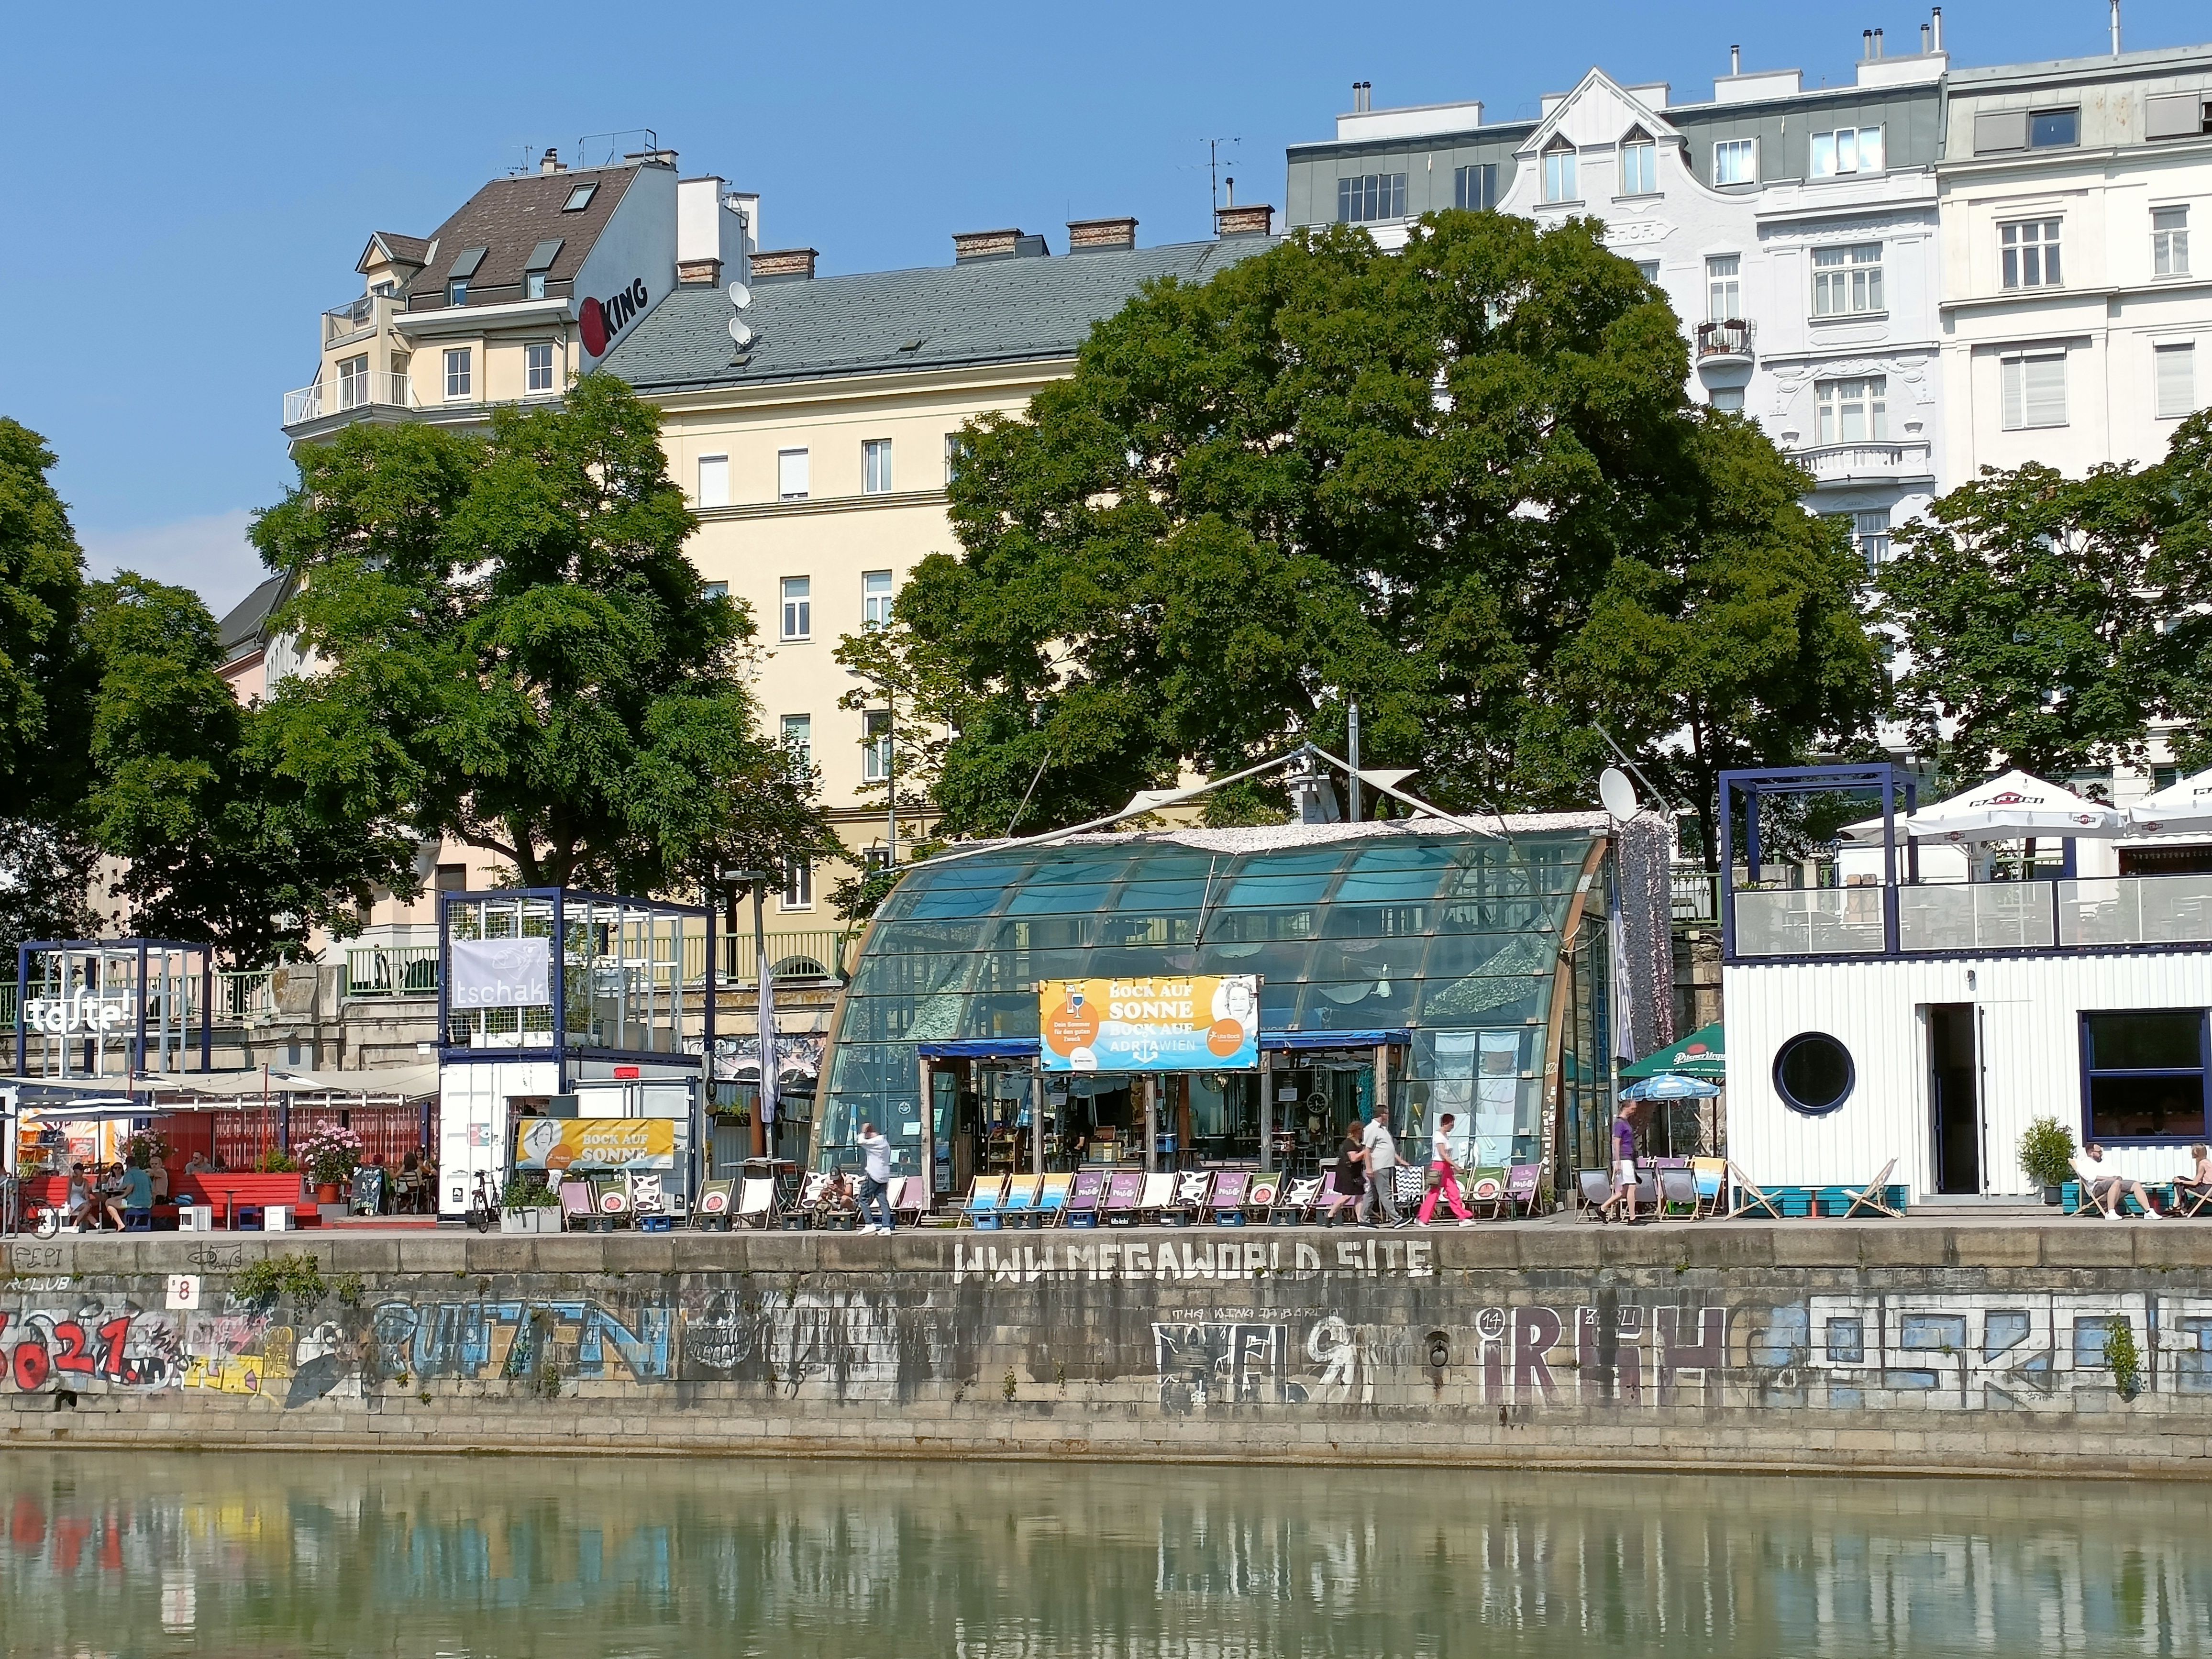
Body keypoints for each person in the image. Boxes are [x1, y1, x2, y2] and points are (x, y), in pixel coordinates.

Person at [2075, 1143, 2167, 1219]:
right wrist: (2110, 1179)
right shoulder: (2084, 1164)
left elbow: (2117, 1175)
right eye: (2099, 1152)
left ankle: (2148, 1211)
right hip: (2097, 1188)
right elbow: (2090, 1177)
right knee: (2116, 1183)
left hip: (2114, 1185)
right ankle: (2110, 1212)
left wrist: (2118, 1178)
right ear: (2091, 1153)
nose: (2102, 1154)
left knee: (2136, 1184)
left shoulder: (2104, 1163)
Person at [1417, 1112, 1476, 1226]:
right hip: (1440, 1166)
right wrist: (1456, 1166)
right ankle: (1423, 1218)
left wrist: (1452, 1166)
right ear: (1446, 1123)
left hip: (1446, 1168)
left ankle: (1462, 1217)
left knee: (1454, 1192)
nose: (1453, 1126)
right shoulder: (1439, 1136)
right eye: (1451, 1123)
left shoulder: (1444, 1136)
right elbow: (1443, 1154)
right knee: (1434, 1193)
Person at [1356, 1113, 1405, 1227]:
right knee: (1385, 1193)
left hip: (1387, 1165)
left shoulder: (1384, 1129)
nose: (1389, 1116)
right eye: (1387, 1114)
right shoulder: (1371, 1129)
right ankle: (1396, 1218)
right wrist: (1369, 1168)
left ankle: (1363, 1219)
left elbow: (1389, 1148)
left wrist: (1400, 1160)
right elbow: (1367, 1150)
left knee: (1372, 1194)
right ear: (1382, 1115)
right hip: (1379, 1166)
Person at [857, 1120, 896, 1234]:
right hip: (884, 1176)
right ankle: (886, 1227)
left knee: (863, 1198)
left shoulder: (875, 1143)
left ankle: (869, 1224)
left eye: (869, 1134)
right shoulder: (885, 1143)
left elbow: (860, 1141)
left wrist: (864, 1130)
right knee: (883, 1200)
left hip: (873, 1175)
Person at [1609, 1101, 1644, 1223]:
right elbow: (1616, 1142)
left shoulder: (1625, 1122)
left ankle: (1603, 1208)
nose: (1634, 1111)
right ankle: (1632, 1218)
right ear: (1626, 1108)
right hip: (1623, 1158)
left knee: (1623, 1191)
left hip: (1627, 1157)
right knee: (1631, 1187)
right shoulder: (1619, 1123)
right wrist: (1618, 1161)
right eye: (1632, 1108)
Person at [1327, 1129, 1366, 1223]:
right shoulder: (1349, 1143)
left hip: (1356, 1173)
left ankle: (1360, 1220)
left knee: (1360, 1196)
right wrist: (1365, 1151)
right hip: (1347, 1173)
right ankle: (1330, 1214)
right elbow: (1354, 1158)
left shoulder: (1358, 1144)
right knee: (1347, 1196)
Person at [2179, 1144, 2212, 1215]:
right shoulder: (2206, 1161)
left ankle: (2182, 1207)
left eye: (2193, 1151)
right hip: (2208, 1188)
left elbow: (2195, 1183)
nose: (2191, 1153)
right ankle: (2179, 1206)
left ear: (2197, 1153)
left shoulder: (2202, 1164)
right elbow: (2198, 1179)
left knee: (2179, 1182)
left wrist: (2182, 1181)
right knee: (2179, 1181)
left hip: (2206, 1189)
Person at [66, 1162, 99, 1232]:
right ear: (76, 1170)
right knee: (87, 1207)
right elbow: (68, 1194)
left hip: (81, 1200)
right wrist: (69, 1205)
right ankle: (94, 1223)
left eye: (83, 1170)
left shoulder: (85, 1181)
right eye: (81, 1169)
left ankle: (96, 1224)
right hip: (73, 1200)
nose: (82, 1171)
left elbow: (86, 1193)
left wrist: (88, 1200)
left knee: (87, 1207)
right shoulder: (71, 1180)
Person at [122, 1159, 155, 1223]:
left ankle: (120, 1224)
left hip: (133, 1203)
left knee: (110, 1202)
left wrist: (123, 1195)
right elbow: (152, 1190)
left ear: (128, 1165)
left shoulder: (129, 1174)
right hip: (148, 1203)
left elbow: (130, 1186)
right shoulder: (145, 1175)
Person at [98, 1163, 128, 1231]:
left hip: (123, 1198)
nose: (117, 1170)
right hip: (114, 1197)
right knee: (108, 1204)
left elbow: (124, 1188)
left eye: (119, 1168)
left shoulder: (125, 1178)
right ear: (113, 1169)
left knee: (108, 1203)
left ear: (122, 1169)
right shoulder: (111, 1179)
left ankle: (120, 1224)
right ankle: (120, 1224)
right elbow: (109, 1187)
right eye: (116, 1168)